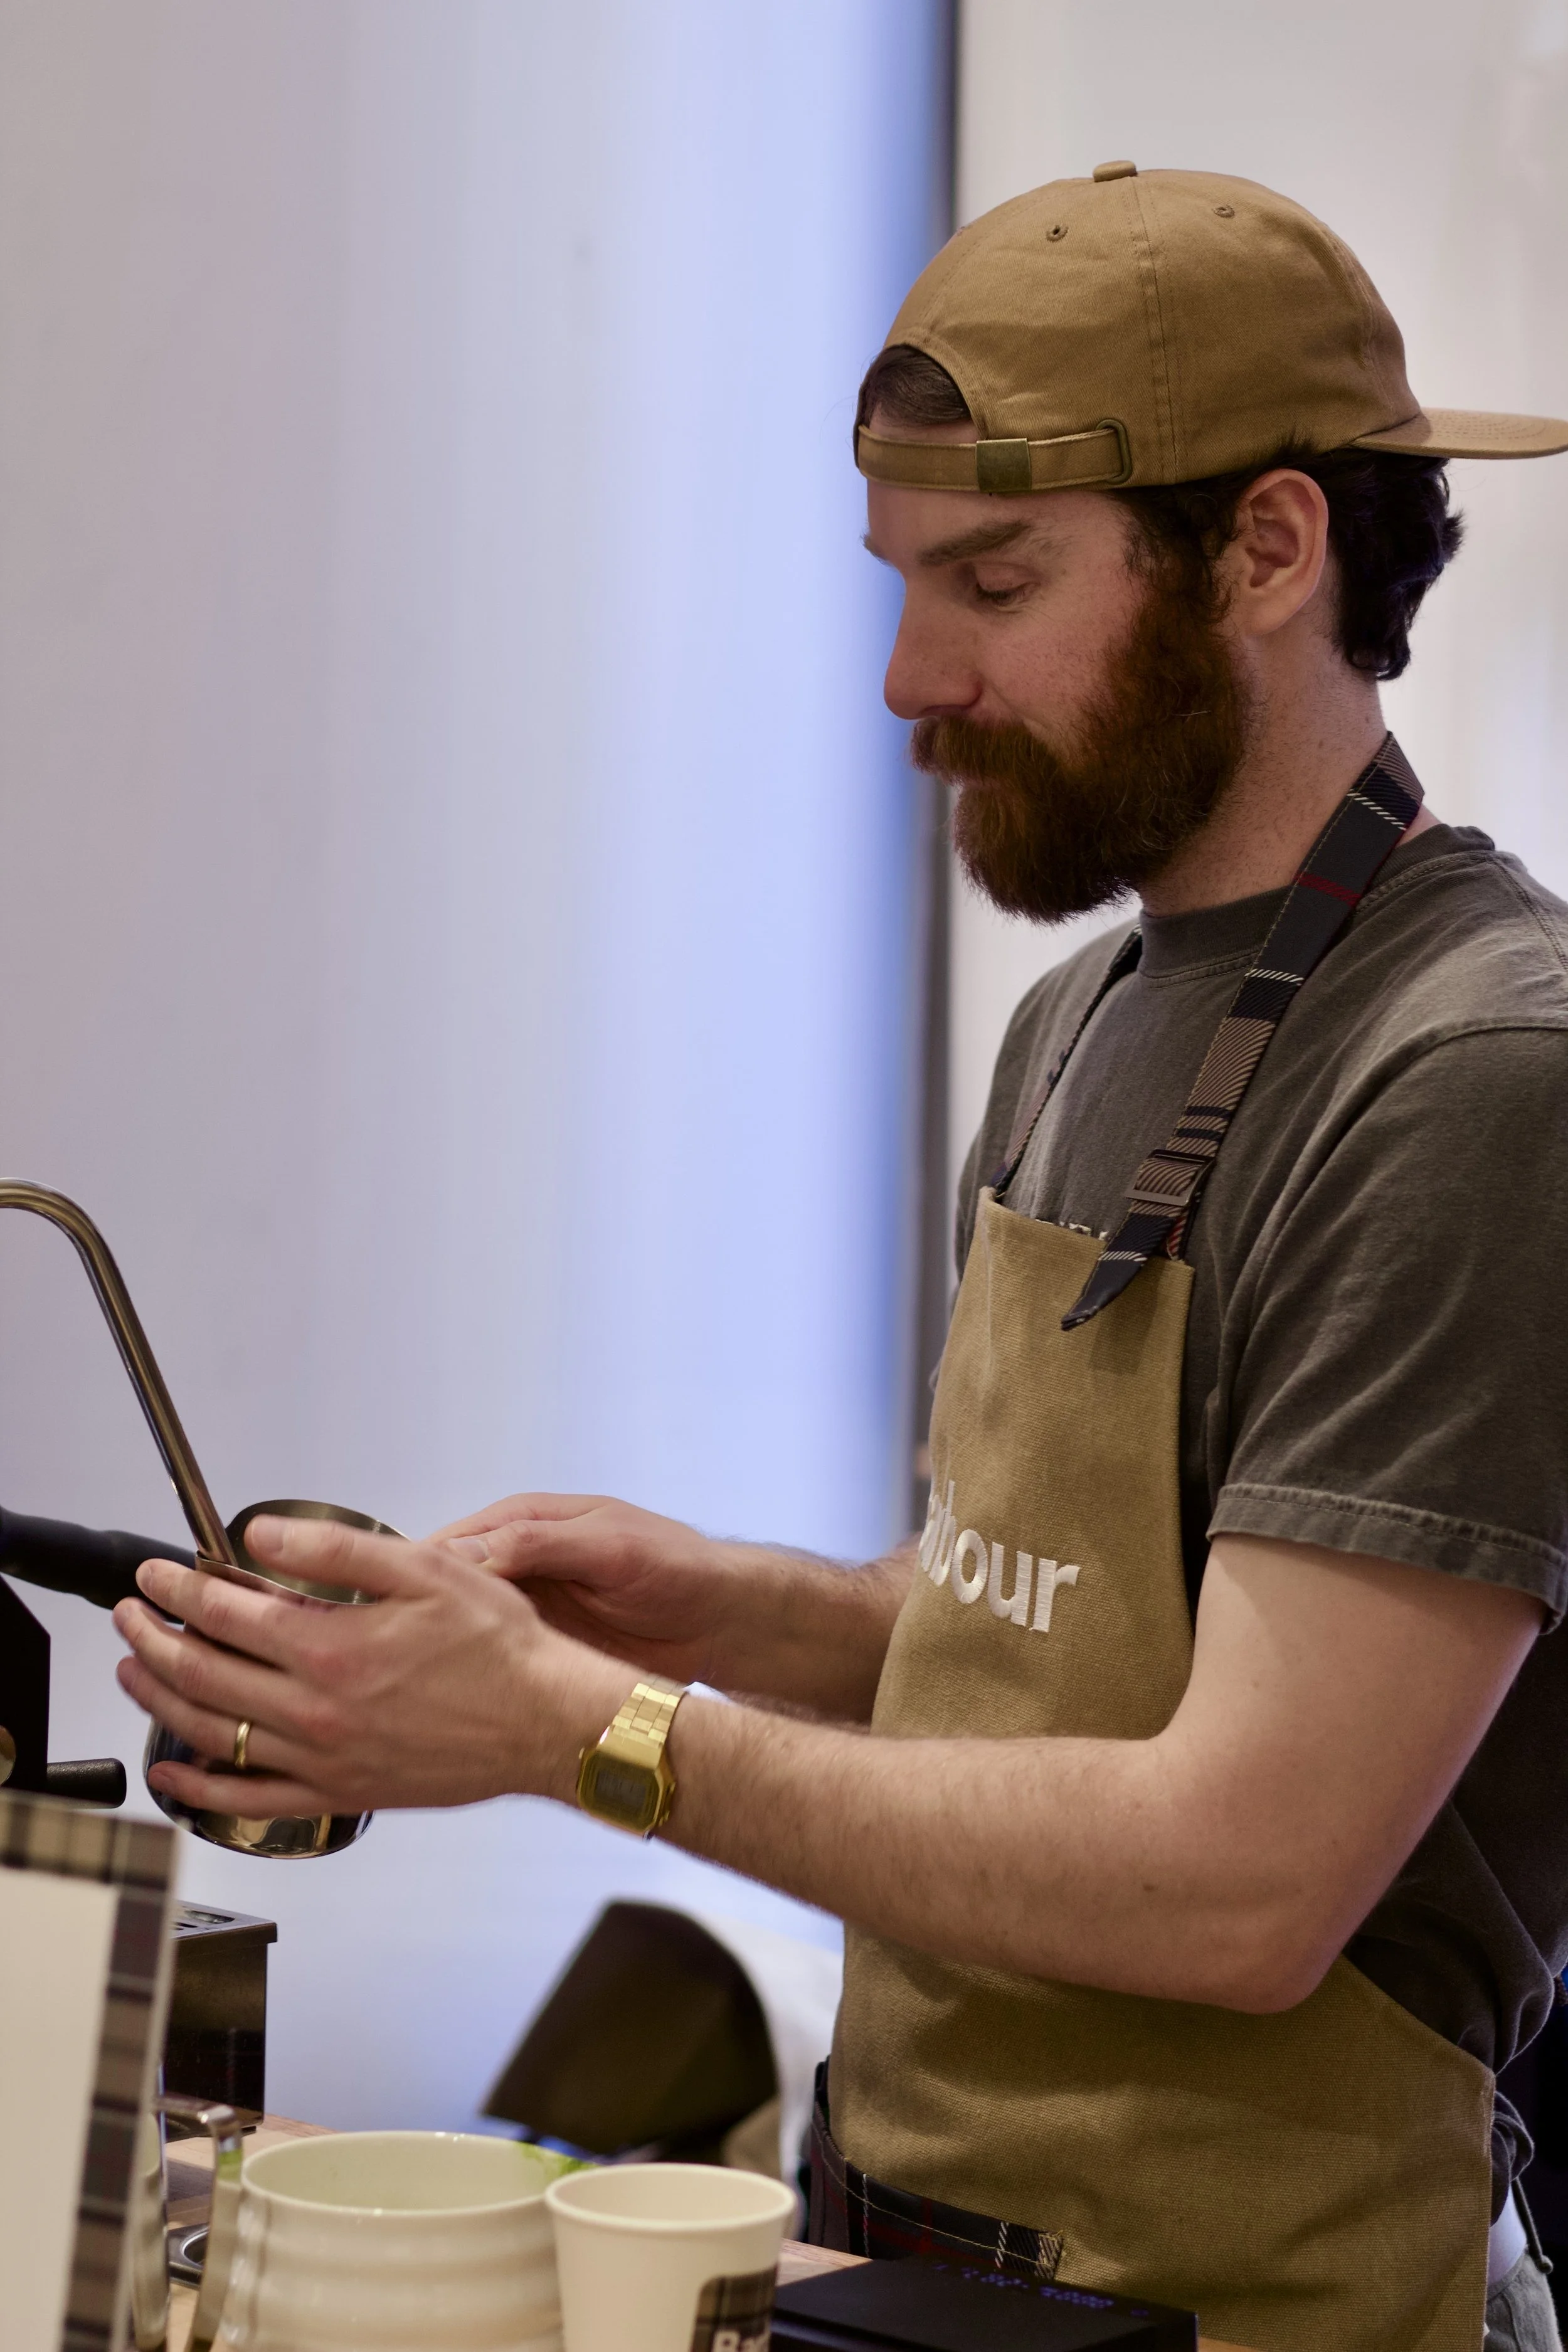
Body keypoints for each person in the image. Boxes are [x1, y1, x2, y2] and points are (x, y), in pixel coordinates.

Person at [115, 165, 1568, 2352]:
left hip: (1253, 2311)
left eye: (993, 579)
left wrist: (579, 1729)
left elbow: (1243, 1875)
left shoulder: (1473, 1074)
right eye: (900, 580)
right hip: (899, 2269)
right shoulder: (1080, 1020)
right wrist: (715, 1607)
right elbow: (1045, 1637)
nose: (910, 676)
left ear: (1268, 550)